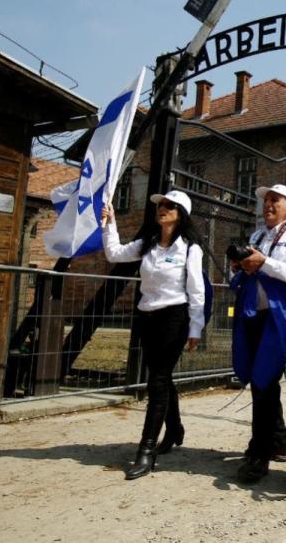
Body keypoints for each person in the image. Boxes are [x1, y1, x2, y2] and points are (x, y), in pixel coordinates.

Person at [100, 190, 204, 480]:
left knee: (157, 381)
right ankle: (174, 428)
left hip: (174, 317)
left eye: (169, 206)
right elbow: (114, 253)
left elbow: (196, 290)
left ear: (181, 213)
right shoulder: (147, 245)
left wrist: (196, 327)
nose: (162, 209)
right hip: (147, 317)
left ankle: (146, 451)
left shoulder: (189, 247)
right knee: (161, 376)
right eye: (160, 205)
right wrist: (110, 223)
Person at [230, 184, 286, 484]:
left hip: (283, 316)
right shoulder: (257, 235)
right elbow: (247, 273)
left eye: (274, 200)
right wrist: (240, 266)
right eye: (266, 201)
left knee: (264, 379)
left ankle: (260, 451)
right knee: (261, 379)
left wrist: (264, 262)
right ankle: (278, 440)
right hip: (255, 312)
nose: (267, 205)